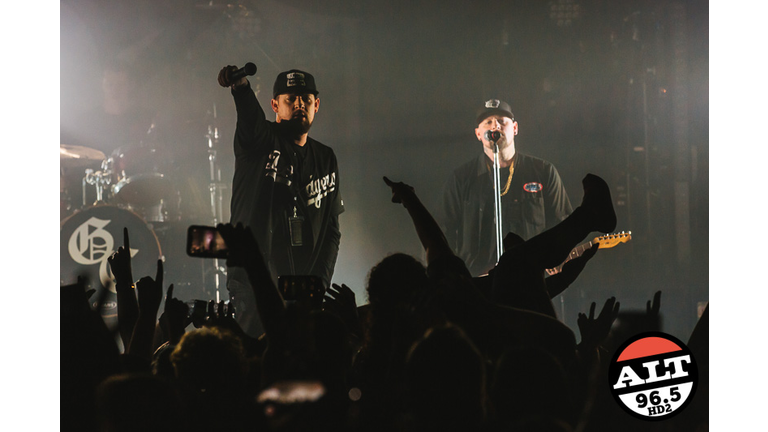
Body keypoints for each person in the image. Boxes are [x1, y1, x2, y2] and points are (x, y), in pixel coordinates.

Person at [218, 65, 344, 338]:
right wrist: (241, 88)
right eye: (290, 99)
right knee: (258, 360)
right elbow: (250, 116)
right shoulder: (259, 141)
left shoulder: (325, 157)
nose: (299, 104)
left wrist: (319, 283)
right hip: (255, 283)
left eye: (306, 99)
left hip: (303, 287)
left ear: (317, 105)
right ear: (275, 105)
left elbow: (332, 229)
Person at [439, 99, 573, 277]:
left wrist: (557, 258)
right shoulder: (462, 178)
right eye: (488, 122)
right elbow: (442, 230)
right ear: (478, 133)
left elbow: (564, 225)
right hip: (478, 285)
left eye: (502, 121)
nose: (495, 126)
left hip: (530, 280)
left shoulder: (543, 172)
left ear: (515, 128)